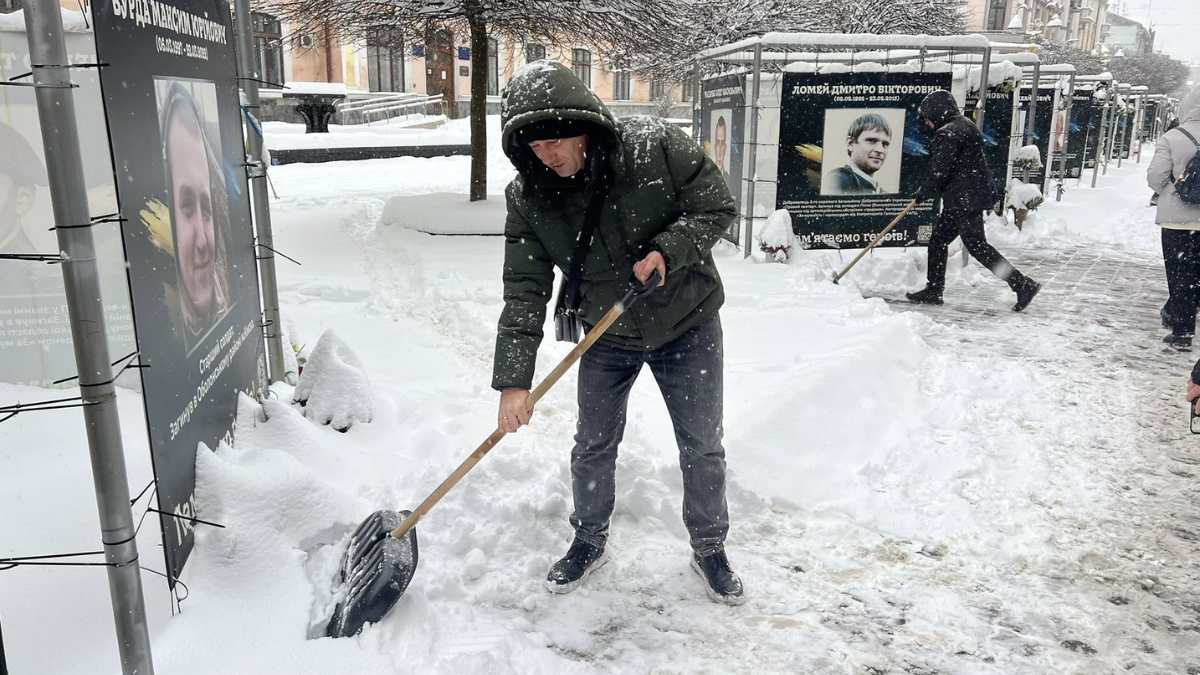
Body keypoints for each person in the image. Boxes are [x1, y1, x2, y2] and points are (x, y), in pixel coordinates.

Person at [492, 61, 744, 605]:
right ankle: (587, 537)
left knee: (702, 445)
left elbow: (717, 206)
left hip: (687, 323)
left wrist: (667, 250)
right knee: (593, 443)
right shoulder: (529, 197)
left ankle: (709, 546)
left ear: (585, 125)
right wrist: (514, 381)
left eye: (557, 141)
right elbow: (524, 289)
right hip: (606, 334)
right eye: (535, 148)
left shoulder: (654, 148)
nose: (548, 156)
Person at [906, 90, 1042, 311]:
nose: (927, 123)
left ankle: (1021, 284)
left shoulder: (948, 133)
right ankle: (934, 289)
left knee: (978, 247)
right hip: (967, 197)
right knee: (938, 241)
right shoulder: (965, 124)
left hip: (963, 200)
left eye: (928, 117)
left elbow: (941, 171)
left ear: (936, 112)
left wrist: (923, 192)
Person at [159, 83, 232, 350]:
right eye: (187, 206)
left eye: (207, 207)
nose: (203, 240)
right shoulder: (165, 335)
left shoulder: (227, 299)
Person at [1148, 86, 1200, 350]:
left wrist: (1172, 190)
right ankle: (1191, 305)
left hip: (1176, 219)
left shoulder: (1173, 136)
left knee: (1180, 273)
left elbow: (1156, 176)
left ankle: (1182, 330)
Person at [822, 113, 892, 195]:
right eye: (871, 141)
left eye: (885, 144)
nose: (880, 150)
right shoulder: (837, 181)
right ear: (851, 144)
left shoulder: (882, 192)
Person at [713, 115, 730, 182]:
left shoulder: (728, 178)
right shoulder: (707, 175)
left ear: (725, 148)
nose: (720, 152)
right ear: (714, 147)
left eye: (722, 143)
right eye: (718, 142)